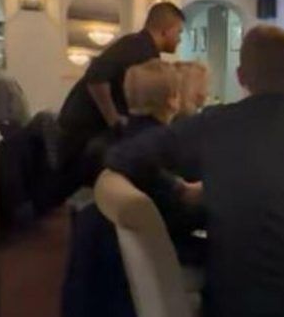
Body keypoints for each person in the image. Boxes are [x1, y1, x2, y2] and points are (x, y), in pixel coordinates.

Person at [103, 25, 284, 317]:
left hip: (229, 299)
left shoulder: (213, 125)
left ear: (241, 77)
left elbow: (122, 156)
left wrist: (178, 189)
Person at [63, 60, 202, 317]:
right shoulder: (163, 148)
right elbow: (178, 214)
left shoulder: (112, 141)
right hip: (153, 256)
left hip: (110, 265)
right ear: (173, 100)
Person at [55, 2, 185, 201]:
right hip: (84, 126)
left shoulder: (143, 49)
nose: (179, 39)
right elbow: (96, 77)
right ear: (165, 31)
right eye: (179, 32)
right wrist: (113, 119)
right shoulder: (137, 46)